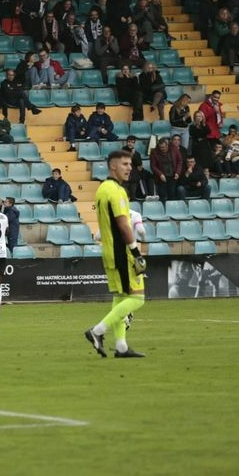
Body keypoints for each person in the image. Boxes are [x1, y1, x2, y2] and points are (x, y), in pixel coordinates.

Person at [84, 149, 147, 359]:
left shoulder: (102, 189)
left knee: (121, 298)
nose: (129, 168)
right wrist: (136, 251)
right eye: (125, 164)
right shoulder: (117, 191)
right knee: (138, 299)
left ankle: (121, 347)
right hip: (122, 253)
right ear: (113, 166)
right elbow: (123, 224)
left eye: (130, 164)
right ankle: (97, 331)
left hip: (110, 251)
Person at [150, 136, 182, 201]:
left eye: (163, 147)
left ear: (167, 145)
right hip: (161, 177)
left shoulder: (174, 149)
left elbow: (180, 161)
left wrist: (178, 172)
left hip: (172, 175)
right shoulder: (154, 152)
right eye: (160, 147)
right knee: (162, 194)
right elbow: (153, 166)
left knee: (172, 194)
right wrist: (160, 174)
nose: (162, 148)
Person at [122, 135, 154, 200]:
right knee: (125, 196)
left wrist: (138, 164)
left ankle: (151, 195)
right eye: (129, 142)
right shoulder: (122, 151)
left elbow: (139, 165)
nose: (130, 144)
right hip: (125, 177)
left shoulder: (137, 153)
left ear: (134, 143)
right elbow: (125, 161)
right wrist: (132, 155)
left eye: (132, 142)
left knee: (133, 196)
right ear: (126, 142)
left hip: (134, 177)